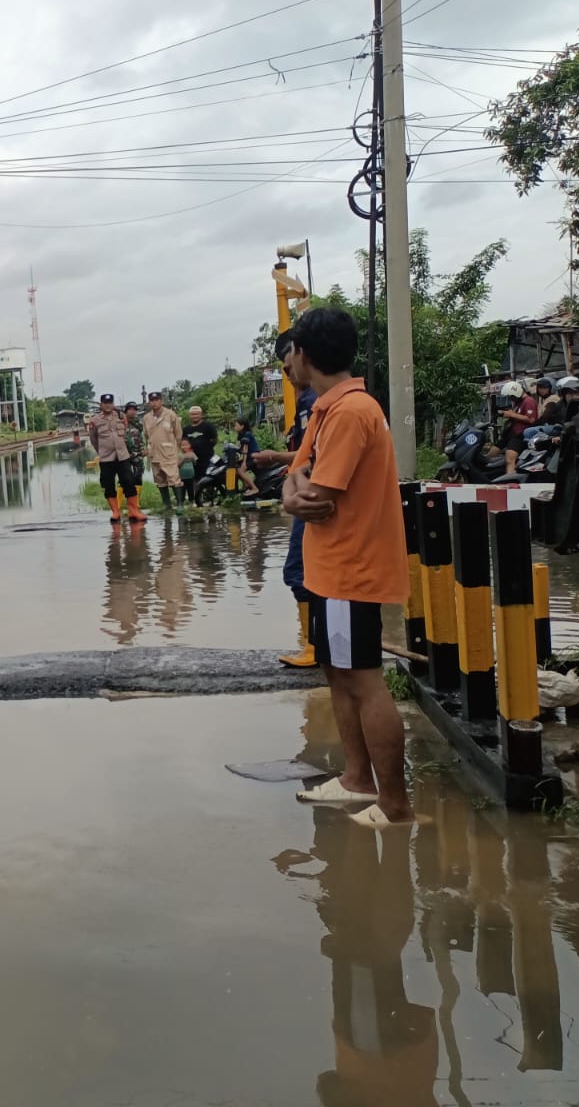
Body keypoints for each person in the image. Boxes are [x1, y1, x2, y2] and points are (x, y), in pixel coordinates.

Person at [284, 307, 412, 827]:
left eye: (290, 351)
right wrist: (295, 492)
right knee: (338, 674)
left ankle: (396, 804)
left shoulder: (351, 412)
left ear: (306, 355)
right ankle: (357, 778)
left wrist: (295, 495)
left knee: (364, 681)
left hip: (349, 571)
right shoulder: (325, 410)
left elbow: (314, 493)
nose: (288, 361)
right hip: (328, 571)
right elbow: (296, 478)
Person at [256, 330, 319, 668]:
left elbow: (310, 455)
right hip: (307, 494)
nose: (288, 374)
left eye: (287, 367)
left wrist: (276, 457)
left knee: (298, 571)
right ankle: (314, 642)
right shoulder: (316, 403)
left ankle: (313, 646)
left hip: (312, 498)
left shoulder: (315, 403)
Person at [88, 393, 144, 522]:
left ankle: (133, 511)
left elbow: (124, 433)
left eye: (110, 403)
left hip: (122, 456)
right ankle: (115, 512)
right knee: (108, 485)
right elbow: (94, 440)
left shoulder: (120, 416)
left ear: (113, 404)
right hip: (106, 458)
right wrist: (102, 451)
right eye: (105, 403)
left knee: (129, 482)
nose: (108, 405)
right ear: (101, 405)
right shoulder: (95, 421)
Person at [142, 392, 185, 514]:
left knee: (174, 478)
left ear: (162, 401)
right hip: (154, 453)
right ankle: (167, 505)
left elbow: (178, 434)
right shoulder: (146, 418)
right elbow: (146, 435)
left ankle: (180, 504)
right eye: (152, 400)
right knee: (160, 480)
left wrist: (176, 450)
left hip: (169, 453)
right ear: (149, 402)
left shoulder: (170, 415)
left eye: (157, 400)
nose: (154, 402)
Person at [498, 379, 537, 474]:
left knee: (510, 457)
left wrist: (512, 415)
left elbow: (531, 419)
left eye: (512, 396)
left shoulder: (529, 401)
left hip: (521, 434)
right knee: (494, 450)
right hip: (511, 432)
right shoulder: (517, 403)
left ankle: (510, 478)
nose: (511, 398)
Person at [232, 418, 261, 499]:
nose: (234, 427)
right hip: (248, 457)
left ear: (242, 426)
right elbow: (238, 447)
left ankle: (254, 488)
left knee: (241, 470)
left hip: (254, 457)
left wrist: (244, 463)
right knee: (236, 468)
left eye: (236, 425)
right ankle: (246, 485)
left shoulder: (247, 434)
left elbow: (245, 449)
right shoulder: (240, 435)